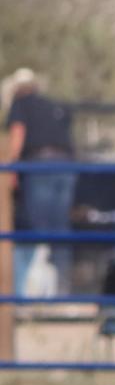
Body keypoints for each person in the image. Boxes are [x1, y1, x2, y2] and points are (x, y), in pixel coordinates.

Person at [4, 69, 77, 295]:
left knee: (32, 228)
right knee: (59, 228)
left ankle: (20, 294)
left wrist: (10, 169)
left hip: (39, 167)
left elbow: (17, 134)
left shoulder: (21, 104)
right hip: (66, 167)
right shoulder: (52, 106)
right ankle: (62, 292)